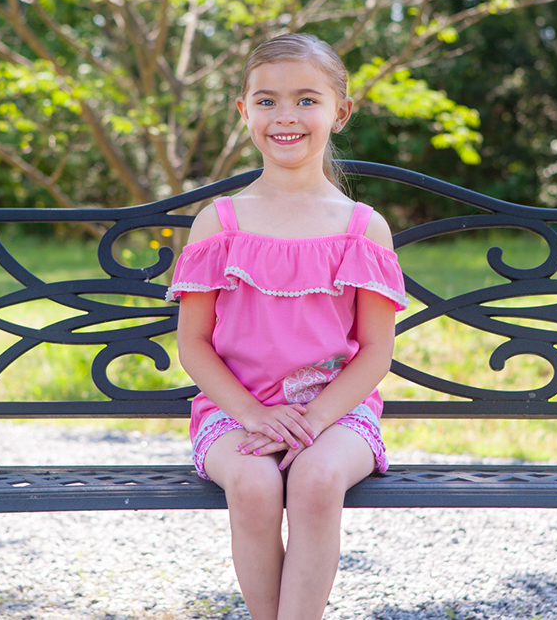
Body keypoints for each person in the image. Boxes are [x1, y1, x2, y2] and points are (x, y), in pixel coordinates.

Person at [166, 33, 408, 620]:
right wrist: (253, 414)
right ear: (244, 111)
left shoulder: (361, 228)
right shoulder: (219, 224)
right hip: (235, 412)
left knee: (316, 480)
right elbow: (193, 343)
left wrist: (313, 421)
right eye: (267, 101)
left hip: (336, 414)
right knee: (253, 486)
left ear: (340, 112)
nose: (286, 116)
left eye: (306, 99)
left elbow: (375, 351)